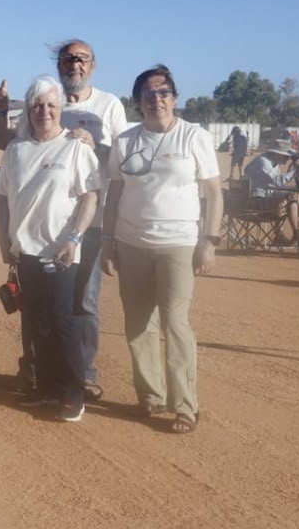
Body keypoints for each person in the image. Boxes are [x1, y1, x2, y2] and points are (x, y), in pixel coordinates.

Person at [0, 39, 129, 401]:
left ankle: (81, 373)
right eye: (68, 59)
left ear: (93, 66)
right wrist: (4, 110)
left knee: (81, 303)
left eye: (81, 59)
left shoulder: (109, 105)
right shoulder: (45, 98)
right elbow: (13, 146)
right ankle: (37, 372)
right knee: (36, 302)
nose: (75, 65)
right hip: (38, 228)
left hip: (87, 222)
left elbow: (120, 159)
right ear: (59, 65)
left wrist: (93, 145)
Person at [101, 64, 223, 435]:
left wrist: (209, 241)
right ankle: (150, 397)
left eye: (164, 93)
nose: (157, 99)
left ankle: (185, 405)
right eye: (149, 94)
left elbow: (214, 192)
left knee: (175, 322)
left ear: (174, 98)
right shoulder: (126, 141)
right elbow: (115, 193)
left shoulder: (193, 137)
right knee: (138, 326)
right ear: (138, 102)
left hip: (179, 245)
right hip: (132, 243)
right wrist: (108, 242)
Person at [0, 76, 99, 422]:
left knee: (62, 323)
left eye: (51, 105)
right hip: (26, 252)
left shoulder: (75, 147)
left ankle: (72, 393)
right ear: (29, 109)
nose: (44, 111)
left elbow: (89, 197)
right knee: (36, 323)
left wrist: (75, 238)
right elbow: (3, 201)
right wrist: (4, 242)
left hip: (61, 251)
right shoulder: (17, 151)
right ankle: (45, 389)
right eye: (38, 105)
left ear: (60, 110)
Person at [243, 148, 299, 244]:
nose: (288, 159)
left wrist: (289, 191)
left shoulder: (273, 163)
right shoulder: (263, 162)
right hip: (256, 201)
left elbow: (275, 186)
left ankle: (295, 233)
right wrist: (295, 172)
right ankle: (282, 234)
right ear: (277, 154)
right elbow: (278, 181)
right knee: (281, 202)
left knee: (290, 198)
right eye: (286, 156)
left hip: (265, 195)